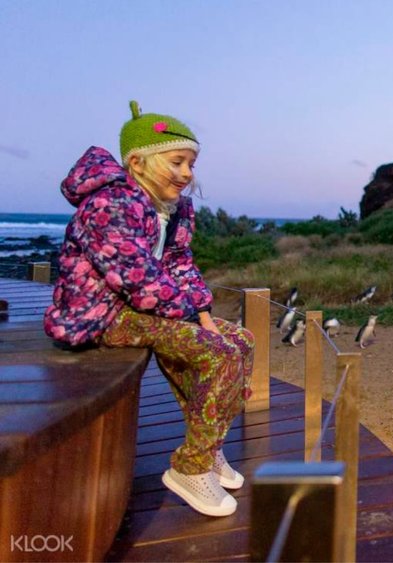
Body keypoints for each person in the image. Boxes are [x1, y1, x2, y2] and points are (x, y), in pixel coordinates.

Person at [44, 101, 253, 517]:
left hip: (143, 309)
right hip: (102, 315)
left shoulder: (172, 210)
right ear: (138, 163)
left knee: (240, 341)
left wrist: (204, 315)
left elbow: (178, 264)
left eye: (191, 164)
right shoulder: (109, 205)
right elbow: (136, 278)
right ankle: (190, 468)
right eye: (177, 162)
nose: (187, 173)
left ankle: (207, 447)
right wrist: (194, 321)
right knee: (217, 352)